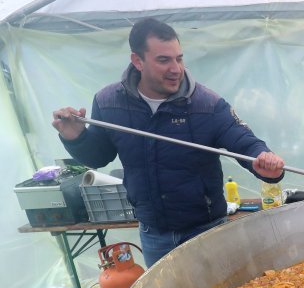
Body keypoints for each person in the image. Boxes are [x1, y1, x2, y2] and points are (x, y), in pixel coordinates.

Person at [52, 18, 285, 267]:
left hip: (206, 230)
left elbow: (245, 142)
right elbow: (99, 157)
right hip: (154, 235)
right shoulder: (109, 102)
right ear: (137, 61)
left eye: (179, 58)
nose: (176, 69)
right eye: (164, 60)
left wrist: (264, 161)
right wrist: (76, 137)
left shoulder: (206, 104)